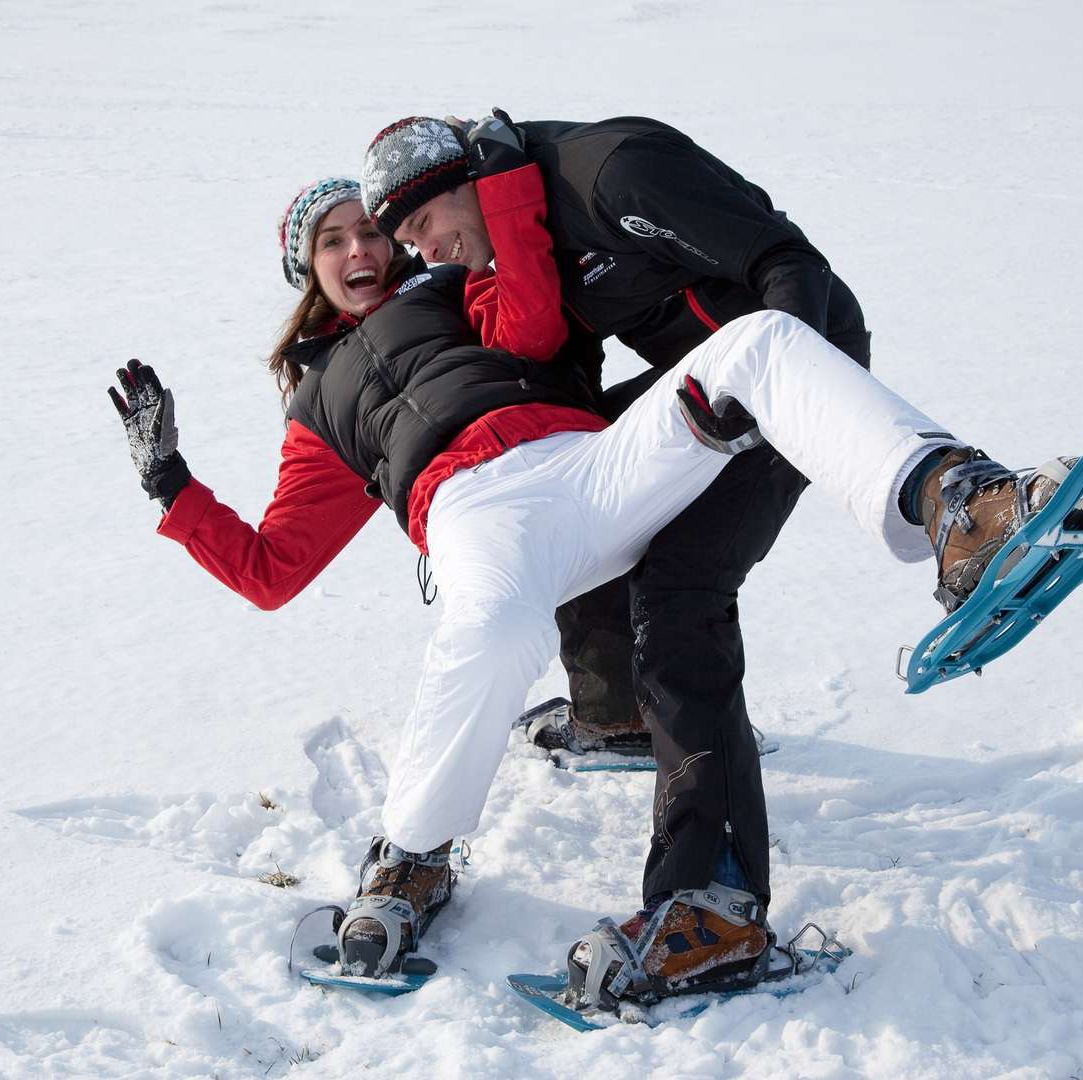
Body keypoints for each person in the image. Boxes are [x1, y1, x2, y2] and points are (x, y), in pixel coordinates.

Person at [111, 151, 1083, 1008]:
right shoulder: (318, 405)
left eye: (369, 230)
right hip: (475, 517)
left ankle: (962, 504)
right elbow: (271, 569)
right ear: (306, 271)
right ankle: (410, 862)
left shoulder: (463, 288)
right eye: (331, 241)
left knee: (759, 344)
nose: (359, 249)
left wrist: (496, 189)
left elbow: (540, 324)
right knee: (490, 634)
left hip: (595, 472)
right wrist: (169, 486)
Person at [362, 110, 870, 939]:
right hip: (705, 385)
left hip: (795, 362)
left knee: (682, 593)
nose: (426, 251)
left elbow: (786, 261)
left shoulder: (612, 171)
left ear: (463, 184)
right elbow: (535, 336)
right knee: (570, 485)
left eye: (424, 225)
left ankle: (712, 900)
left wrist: (793, 396)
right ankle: (620, 712)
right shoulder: (518, 234)